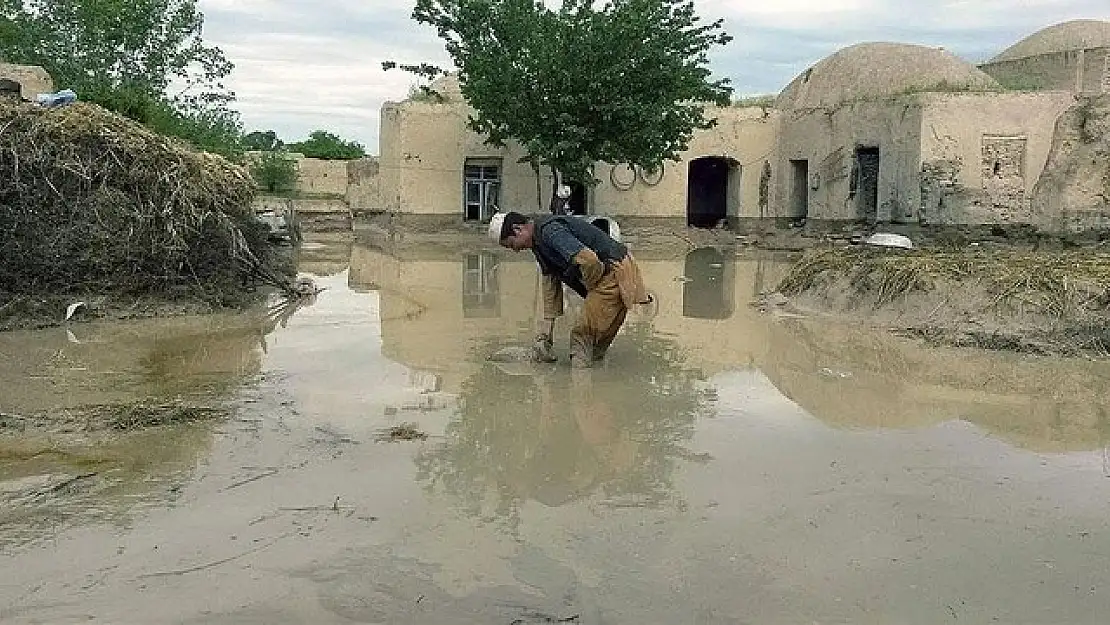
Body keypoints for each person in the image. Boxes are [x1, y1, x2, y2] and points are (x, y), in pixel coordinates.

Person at [489, 211, 649, 368]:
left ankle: (577, 390)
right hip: (618, 270)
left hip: (614, 271)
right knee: (594, 346)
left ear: (518, 229)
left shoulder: (550, 232)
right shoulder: (538, 246)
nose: (515, 250)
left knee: (581, 339)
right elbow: (550, 288)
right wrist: (545, 336)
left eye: (511, 244)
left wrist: (592, 288)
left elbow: (589, 260)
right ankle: (598, 384)